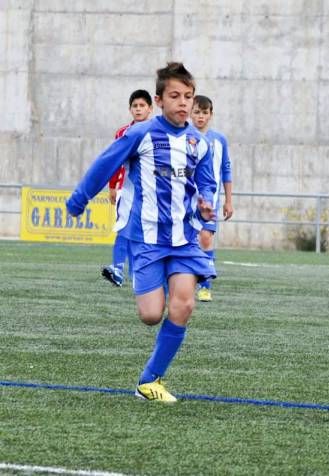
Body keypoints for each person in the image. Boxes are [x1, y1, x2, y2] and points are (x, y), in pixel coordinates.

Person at [67, 62, 217, 403]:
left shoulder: (199, 142)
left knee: (184, 305)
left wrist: (206, 204)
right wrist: (79, 200)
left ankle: (149, 381)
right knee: (151, 315)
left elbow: (205, 182)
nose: (183, 103)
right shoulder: (141, 134)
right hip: (147, 239)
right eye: (175, 96)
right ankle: (159, 284)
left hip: (183, 240)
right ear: (159, 100)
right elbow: (105, 164)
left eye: (188, 97)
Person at [102, 89, 153, 287]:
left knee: (139, 232)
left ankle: (135, 273)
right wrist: (113, 186)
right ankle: (117, 269)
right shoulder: (122, 133)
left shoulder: (156, 131)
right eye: (135, 106)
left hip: (150, 192)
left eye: (142, 106)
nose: (138, 109)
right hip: (127, 189)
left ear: (150, 108)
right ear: (130, 110)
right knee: (123, 226)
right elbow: (115, 160)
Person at [189, 95, 233, 302]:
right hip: (184, 199)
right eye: (196, 112)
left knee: (205, 237)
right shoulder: (183, 137)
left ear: (211, 115)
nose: (200, 116)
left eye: (204, 113)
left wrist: (228, 200)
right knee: (186, 240)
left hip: (210, 200)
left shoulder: (219, 140)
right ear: (190, 113)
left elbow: (226, 169)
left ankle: (205, 286)